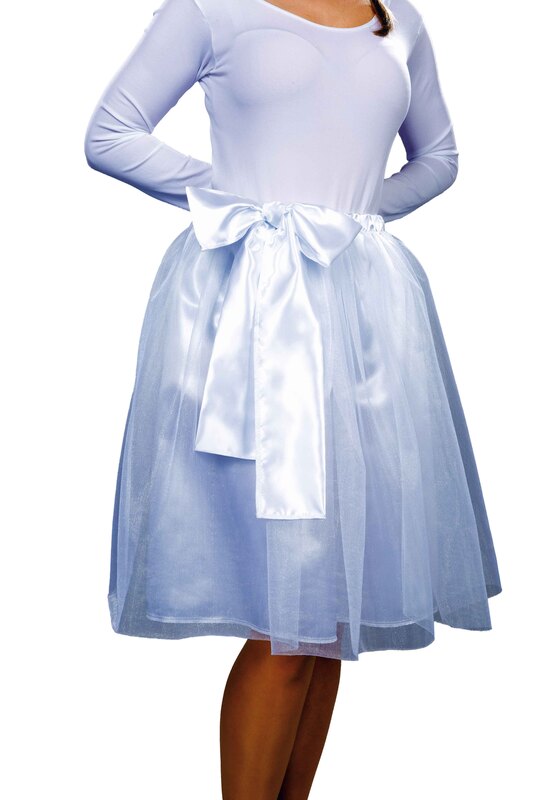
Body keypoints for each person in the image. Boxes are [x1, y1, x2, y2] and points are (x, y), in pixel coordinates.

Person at [84, 1, 502, 797]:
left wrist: (346, 220)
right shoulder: (211, 8)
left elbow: (439, 156)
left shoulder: (396, 18)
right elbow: (109, 133)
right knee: (285, 620)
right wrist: (242, 203)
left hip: (362, 321)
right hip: (252, 312)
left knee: (324, 618)